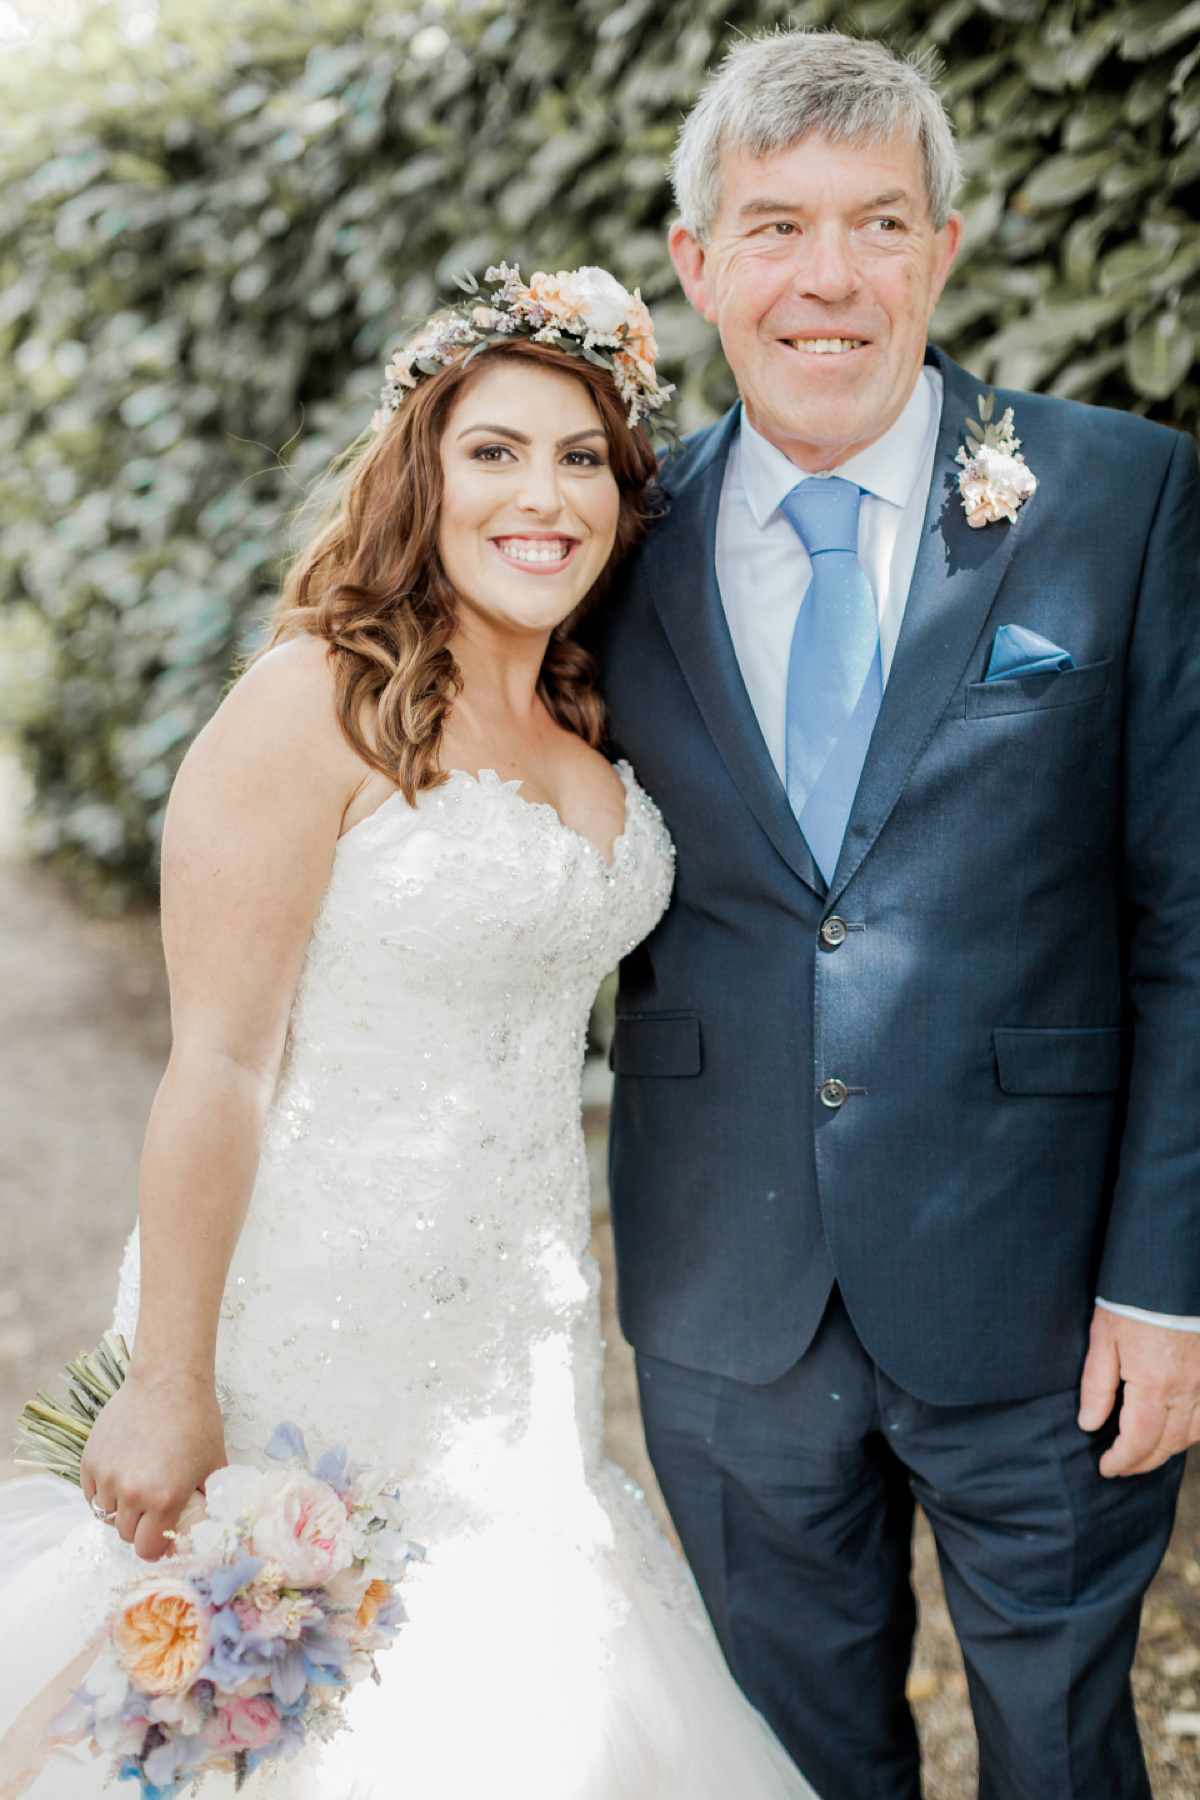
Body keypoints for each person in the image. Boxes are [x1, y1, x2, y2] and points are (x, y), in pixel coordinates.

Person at [0, 276, 816, 1798]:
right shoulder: (312, 704)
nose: (543, 495)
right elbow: (219, 1067)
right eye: (494, 451)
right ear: (419, 473)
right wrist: (171, 1379)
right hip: (307, 1334)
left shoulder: (601, 725)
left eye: (583, 457)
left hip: (520, 1344)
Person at [588, 28, 1200, 1800]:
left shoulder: (1123, 494)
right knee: (786, 1764)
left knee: (1067, 1757)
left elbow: (1185, 919)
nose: (829, 280)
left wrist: (1169, 1285)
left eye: (879, 223)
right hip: (725, 1299)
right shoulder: (604, 538)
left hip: (1049, 1301)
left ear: (945, 246)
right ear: (697, 264)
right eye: (775, 227)